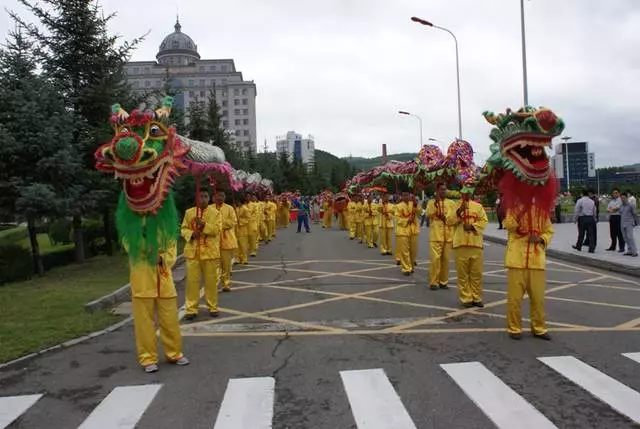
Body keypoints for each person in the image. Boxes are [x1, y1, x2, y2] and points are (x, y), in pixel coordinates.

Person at [503, 203, 554, 340]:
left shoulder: (542, 212)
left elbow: (549, 231)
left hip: (536, 260)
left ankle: (539, 328)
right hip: (516, 260)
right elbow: (509, 225)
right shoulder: (513, 209)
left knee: (538, 298)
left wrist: (540, 239)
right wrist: (521, 211)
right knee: (514, 298)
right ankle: (514, 328)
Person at [181, 188, 222, 320]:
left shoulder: (216, 213)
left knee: (211, 282)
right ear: (196, 198)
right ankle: (191, 309)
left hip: (210, 253)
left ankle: (213, 306)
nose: (203, 199)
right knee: (192, 282)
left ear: (209, 198)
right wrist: (192, 234)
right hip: (193, 252)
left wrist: (203, 225)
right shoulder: (189, 212)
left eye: (205, 196)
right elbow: (183, 229)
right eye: (201, 196)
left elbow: (216, 230)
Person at [451, 186, 488, 308]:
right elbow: (449, 221)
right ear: (461, 192)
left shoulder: (478, 207)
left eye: (468, 192)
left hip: (475, 243)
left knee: (476, 273)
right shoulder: (455, 205)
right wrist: (458, 212)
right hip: (460, 243)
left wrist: (472, 226)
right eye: (464, 192)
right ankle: (466, 298)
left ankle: (476, 297)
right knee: (463, 274)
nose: (466, 195)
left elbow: (484, 221)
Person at [426, 183, 455, 290]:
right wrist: (436, 204)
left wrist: (445, 217)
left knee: (446, 259)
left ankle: (443, 281)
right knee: (435, 259)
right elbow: (428, 214)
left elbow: (453, 217)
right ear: (437, 191)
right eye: (441, 189)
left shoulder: (451, 203)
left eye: (445, 189)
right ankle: (434, 282)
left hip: (448, 235)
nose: (443, 191)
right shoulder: (431, 202)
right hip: (436, 235)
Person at [212, 191, 237, 292]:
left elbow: (233, 222)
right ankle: (214, 284)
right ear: (213, 197)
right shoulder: (210, 208)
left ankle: (226, 283)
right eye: (218, 195)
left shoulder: (229, 208)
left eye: (222, 195)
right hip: (213, 240)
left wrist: (219, 224)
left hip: (226, 240)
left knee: (226, 265)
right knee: (214, 265)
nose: (220, 197)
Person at [395, 192, 414, 275]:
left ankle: (410, 266)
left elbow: (419, 211)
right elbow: (397, 219)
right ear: (401, 196)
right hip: (402, 231)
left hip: (411, 230)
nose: (406, 197)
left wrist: (416, 204)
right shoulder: (398, 206)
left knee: (411, 250)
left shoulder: (412, 204)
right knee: (404, 251)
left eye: (407, 195)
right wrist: (407, 221)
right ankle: (406, 268)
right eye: (404, 195)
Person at [572, 189, 596, 253]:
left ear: (582, 194)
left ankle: (579, 246)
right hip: (590, 218)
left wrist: (575, 219)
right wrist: (594, 218)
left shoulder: (580, 201)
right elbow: (594, 211)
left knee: (581, 233)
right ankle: (591, 248)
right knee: (591, 234)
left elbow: (577, 211)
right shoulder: (592, 201)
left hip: (582, 218)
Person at [620, 192, 638, 257]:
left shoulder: (631, 205)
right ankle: (629, 251)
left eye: (624, 198)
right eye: (621, 198)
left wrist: (636, 222)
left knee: (630, 237)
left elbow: (635, 214)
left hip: (629, 223)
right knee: (625, 238)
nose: (622, 199)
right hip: (622, 223)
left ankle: (634, 252)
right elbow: (621, 214)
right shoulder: (621, 206)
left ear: (626, 198)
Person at [235, 196, 251, 264]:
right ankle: (237, 258)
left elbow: (248, 219)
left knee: (243, 246)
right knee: (237, 246)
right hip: (236, 229)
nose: (237, 203)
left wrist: (240, 221)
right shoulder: (236, 208)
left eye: (238, 202)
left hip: (243, 229)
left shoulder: (245, 209)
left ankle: (244, 259)